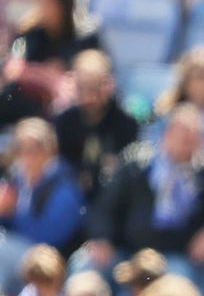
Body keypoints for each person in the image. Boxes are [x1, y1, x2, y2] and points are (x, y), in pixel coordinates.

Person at [83, 105, 204, 287]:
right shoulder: (137, 165)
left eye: (192, 137)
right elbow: (104, 206)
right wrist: (102, 237)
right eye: (181, 135)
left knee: (177, 282)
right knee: (85, 266)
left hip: (177, 257)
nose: (186, 142)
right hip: (128, 251)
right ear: (167, 134)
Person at [0, 118, 83, 294]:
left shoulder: (64, 185)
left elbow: (48, 238)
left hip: (52, 261)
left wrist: (12, 212)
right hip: (20, 259)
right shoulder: (18, 180)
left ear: (49, 150)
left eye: (31, 150)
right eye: (19, 149)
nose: (23, 156)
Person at [51, 50, 139, 205]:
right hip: (72, 193)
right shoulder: (64, 121)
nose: (88, 96)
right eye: (82, 88)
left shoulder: (125, 122)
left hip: (112, 197)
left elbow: (130, 164)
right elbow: (59, 162)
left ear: (108, 85)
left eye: (95, 88)